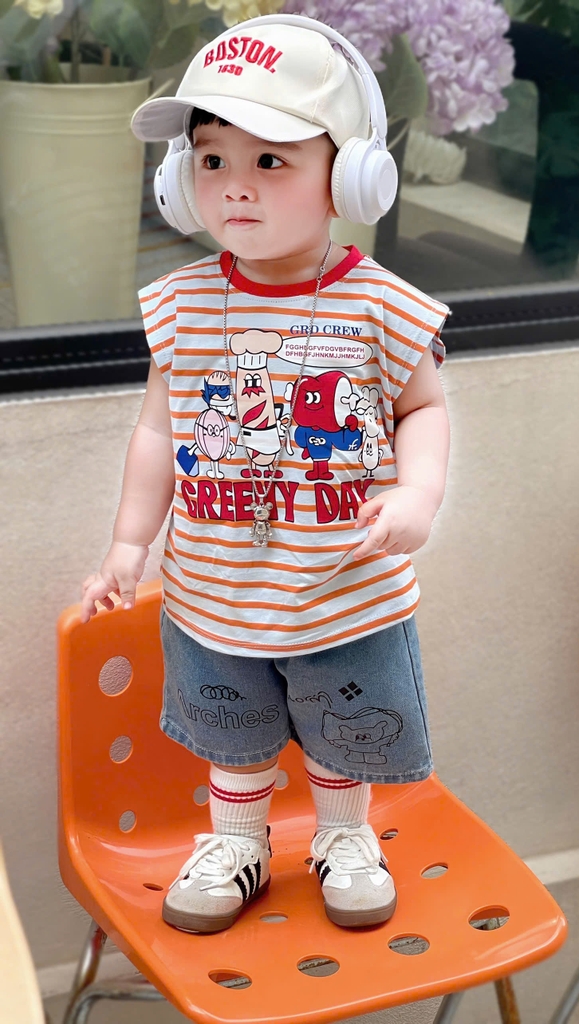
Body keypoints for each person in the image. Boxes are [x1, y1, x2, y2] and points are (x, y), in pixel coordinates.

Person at [81, 14, 450, 936]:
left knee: (344, 733)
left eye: (271, 160)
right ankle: (237, 844)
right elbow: (158, 429)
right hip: (214, 591)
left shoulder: (381, 306)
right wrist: (129, 542)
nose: (234, 186)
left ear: (351, 175)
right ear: (180, 179)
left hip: (344, 589)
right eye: (211, 160)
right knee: (233, 736)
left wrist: (417, 494)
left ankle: (345, 837)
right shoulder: (182, 305)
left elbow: (424, 409)